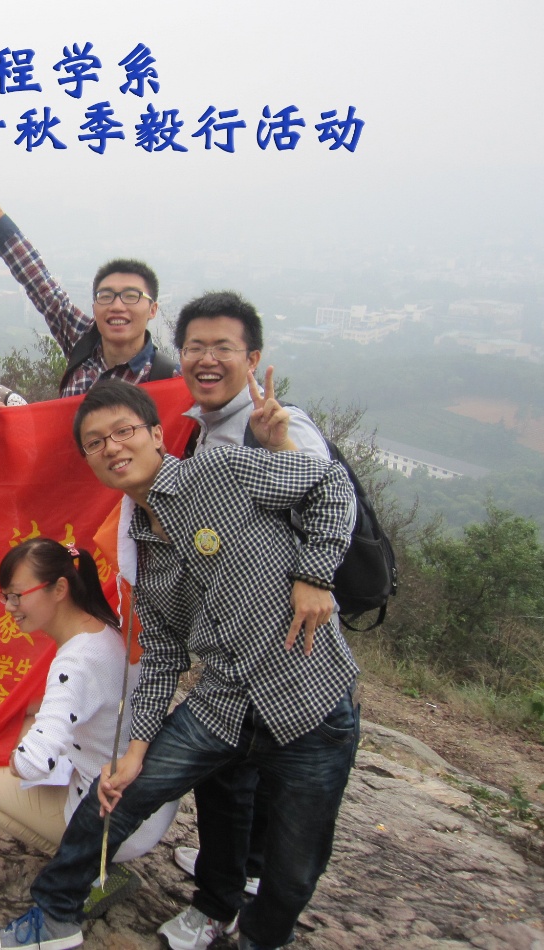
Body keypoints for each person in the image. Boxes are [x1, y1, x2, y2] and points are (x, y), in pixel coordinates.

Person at [0, 380, 358, 950]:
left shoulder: (220, 471)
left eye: (123, 431)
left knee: (295, 866)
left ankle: (259, 938)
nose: (112, 447)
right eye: (95, 442)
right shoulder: (135, 541)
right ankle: (55, 918)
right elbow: (160, 653)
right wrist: (135, 750)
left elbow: (330, 484)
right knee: (114, 794)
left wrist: (315, 574)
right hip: (223, 701)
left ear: (157, 434)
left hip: (309, 697)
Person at [164, 290, 335, 947]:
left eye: (222, 347)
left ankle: (225, 902)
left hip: (284, 647)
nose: (206, 359)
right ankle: (237, 876)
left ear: (252, 358)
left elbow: (329, 496)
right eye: (194, 347)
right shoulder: (201, 427)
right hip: (232, 645)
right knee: (239, 777)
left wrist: (280, 446)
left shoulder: (278, 422)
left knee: (241, 783)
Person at [0, 538, 178, 917]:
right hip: (151, 801)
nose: (9, 607)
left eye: (17, 596)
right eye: (5, 596)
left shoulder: (75, 663)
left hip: (114, 819)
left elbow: (33, 763)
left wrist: (20, 741)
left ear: (60, 589)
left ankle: (94, 874)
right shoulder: (105, 627)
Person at [0, 154, 177, 397]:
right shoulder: (83, 341)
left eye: (131, 296)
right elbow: (34, 275)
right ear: (94, 306)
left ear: (153, 309)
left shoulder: (169, 379)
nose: (117, 306)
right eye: (106, 296)